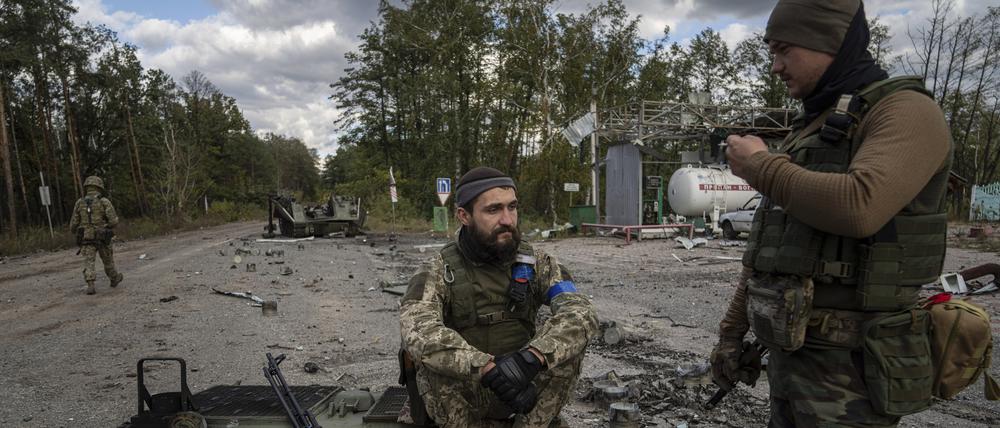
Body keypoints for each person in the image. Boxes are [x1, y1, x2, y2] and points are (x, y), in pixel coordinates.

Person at [711, 0, 952, 426]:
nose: (775, 66)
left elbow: (860, 205)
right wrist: (731, 332)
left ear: (830, 42)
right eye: (771, 52)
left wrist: (760, 166)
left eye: (784, 50)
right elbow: (771, 246)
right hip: (792, 357)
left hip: (854, 369)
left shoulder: (906, 110)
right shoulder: (815, 126)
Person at [399, 167, 598, 428]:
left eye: (512, 207)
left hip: (522, 386)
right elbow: (417, 329)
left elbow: (580, 312)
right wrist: (484, 368)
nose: (507, 219)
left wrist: (533, 357)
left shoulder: (538, 263)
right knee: (431, 359)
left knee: (570, 346)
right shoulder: (438, 269)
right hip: (465, 392)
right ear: (464, 216)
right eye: (493, 210)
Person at [69, 175, 123, 295]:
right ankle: (114, 278)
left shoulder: (80, 202)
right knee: (108, 260)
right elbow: (113, 221)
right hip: (102, 236)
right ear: (99, 187)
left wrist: (74, 231)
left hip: (86, 237)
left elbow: (74, 222)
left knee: (89, 262)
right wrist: (107, 226)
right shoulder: (104, 201)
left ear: (87, 187)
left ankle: (90, 284)